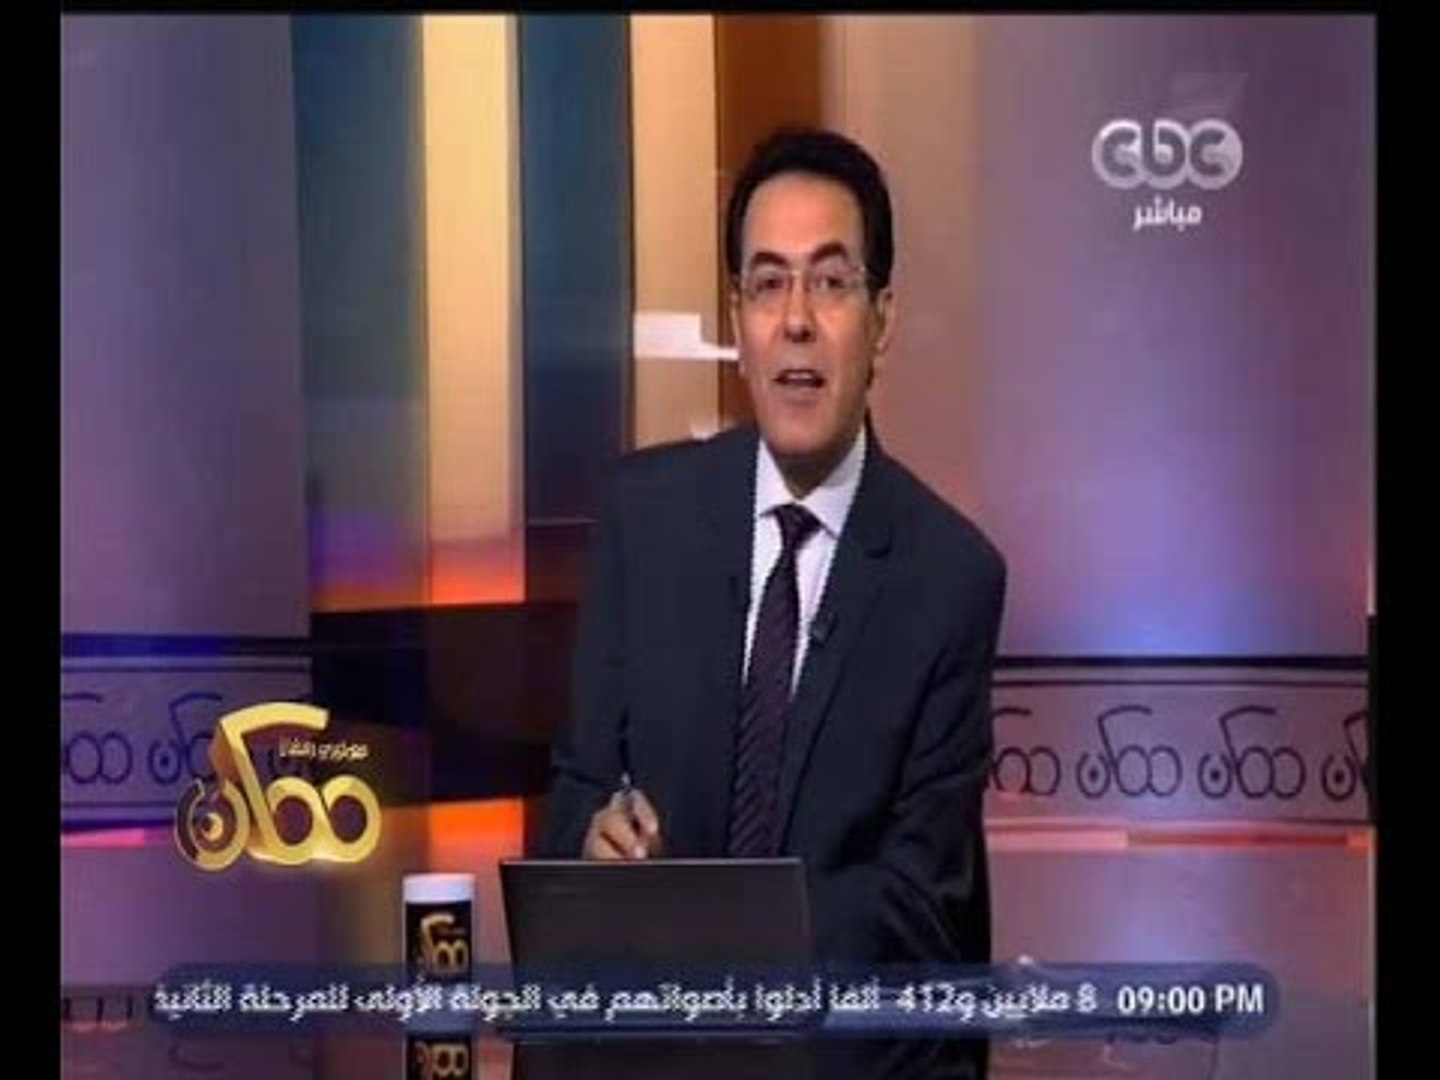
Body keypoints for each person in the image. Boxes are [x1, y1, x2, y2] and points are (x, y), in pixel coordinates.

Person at [539, 127, 1006, 1076]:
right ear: (738, 322)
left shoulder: (949, 578)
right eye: (767, 283)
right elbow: (576, 794)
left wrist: (719, 943)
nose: (796, 319)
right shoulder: (641, 520)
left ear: (881, 320)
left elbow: (921, 911)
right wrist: (591, 839)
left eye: (830, 282)